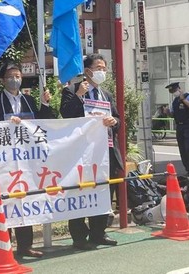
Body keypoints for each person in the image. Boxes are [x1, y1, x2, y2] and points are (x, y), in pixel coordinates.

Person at [0, 61, 54, 258]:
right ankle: (5, 245)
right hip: (3, 161)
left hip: (26, 161)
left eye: (18, 76)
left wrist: (45, 104)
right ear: (2, 80)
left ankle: (25, 246)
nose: (15, 80)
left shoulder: (29, 100)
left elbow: (41, 125)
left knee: (25, 200)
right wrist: (6, 124)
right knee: (6, 203)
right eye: (10, 76)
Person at [60, 54, 122, 250]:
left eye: (104, 68)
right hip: (81, 155)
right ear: (87, 71)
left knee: (104, 192)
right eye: (99, 68)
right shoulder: (71, 90)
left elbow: (118, 121)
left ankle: (98, 233)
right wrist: (78, 95)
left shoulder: (106, 95)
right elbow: (67, 115)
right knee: (80, 193)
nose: (102, 71)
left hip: (106, 152)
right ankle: (79, 236)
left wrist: (114, 122)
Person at [166, 82, 189, 176]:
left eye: (174, 91)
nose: (174, 93)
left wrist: (183, 100)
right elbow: (173, 114)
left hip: (188, 126)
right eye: (172, 92)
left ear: (179, 89)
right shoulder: (175, 101)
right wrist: (167, 112)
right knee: (183, 149)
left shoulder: (187, 96)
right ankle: (188, 169)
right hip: (179, 127)